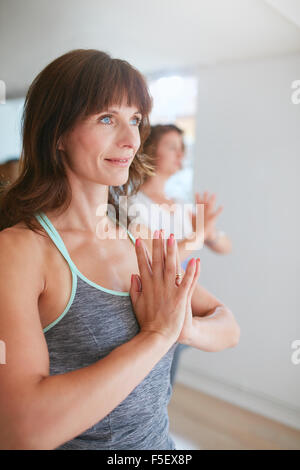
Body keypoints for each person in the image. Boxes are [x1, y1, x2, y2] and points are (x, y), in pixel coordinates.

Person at [0, 49, 240, 450]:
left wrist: (186, 328)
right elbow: (22, 432)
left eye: (135, 120)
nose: (130, 140)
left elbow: (228, 325)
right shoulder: (20, 252)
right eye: (107, 118)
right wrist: (158, 335)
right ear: (56, 133)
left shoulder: (138, 237)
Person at [127, 124, 233, 386]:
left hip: (186, 302)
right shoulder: (133, 204)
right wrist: (197, 235)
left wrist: (209, 233)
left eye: (182, 148)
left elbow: (225, 246)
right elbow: (156, 259)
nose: (180, 154)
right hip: (151, 303)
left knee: (168, 376)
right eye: (172, 147)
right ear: (150, 151)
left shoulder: (181, 205)